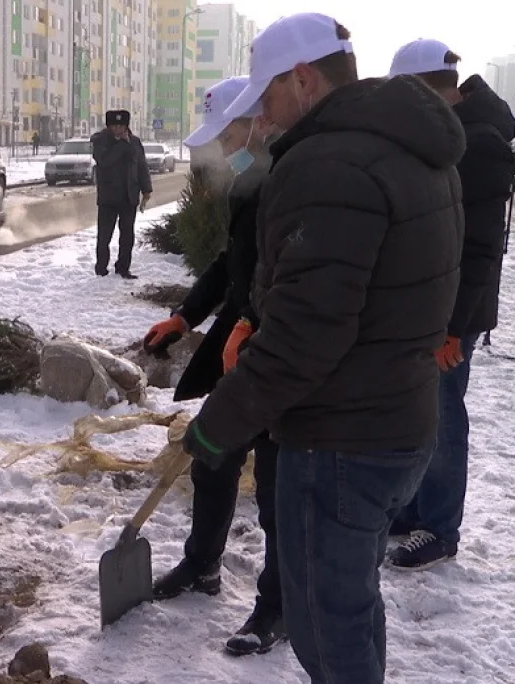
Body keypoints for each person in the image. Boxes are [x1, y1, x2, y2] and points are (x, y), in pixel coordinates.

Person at [180, 14, 464, 683]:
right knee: (353, 607)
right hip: (399, 421)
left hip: (342, 438)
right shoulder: (413, 148)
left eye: (269, 97)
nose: (267, 117)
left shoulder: (329, 163)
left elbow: (309, 332)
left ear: (303, 78)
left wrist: (219, 425)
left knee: (327, 627)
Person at [142, 76, 285, 657]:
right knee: (213, 456)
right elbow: (235, 261)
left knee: (277, 484)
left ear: (255, 119)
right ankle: (202, 567)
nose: (221, 149)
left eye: (227, 133)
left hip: (280, 350)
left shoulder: (290, 176)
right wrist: (185, 315)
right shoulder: (248, 180)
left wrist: (255, 322)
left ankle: (277, 607)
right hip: (241, 344)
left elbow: (290, 271)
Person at [386, 40, 515, 570]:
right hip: (430, 308)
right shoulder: (453, 133)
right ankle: (415, 508)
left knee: (442, 415)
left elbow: (482, 247)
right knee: (422, 413)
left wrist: (454, 330)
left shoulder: (480, 144)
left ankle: (439, 526)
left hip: (452, 315)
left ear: (424, 90)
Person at [90, 109, 152, 278]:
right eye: (114, 126)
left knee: (127, 236)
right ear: (109, 126)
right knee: (104, 236)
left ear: (126, 126)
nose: (118, 129)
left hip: (129, 196)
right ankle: (101, 268)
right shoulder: (100, 141)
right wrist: (122, 145)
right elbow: (105, 161)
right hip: (108, 198)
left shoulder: (135, 142)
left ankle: (123, 268)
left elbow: (141, 167)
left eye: (121, 125)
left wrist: (146, 189)